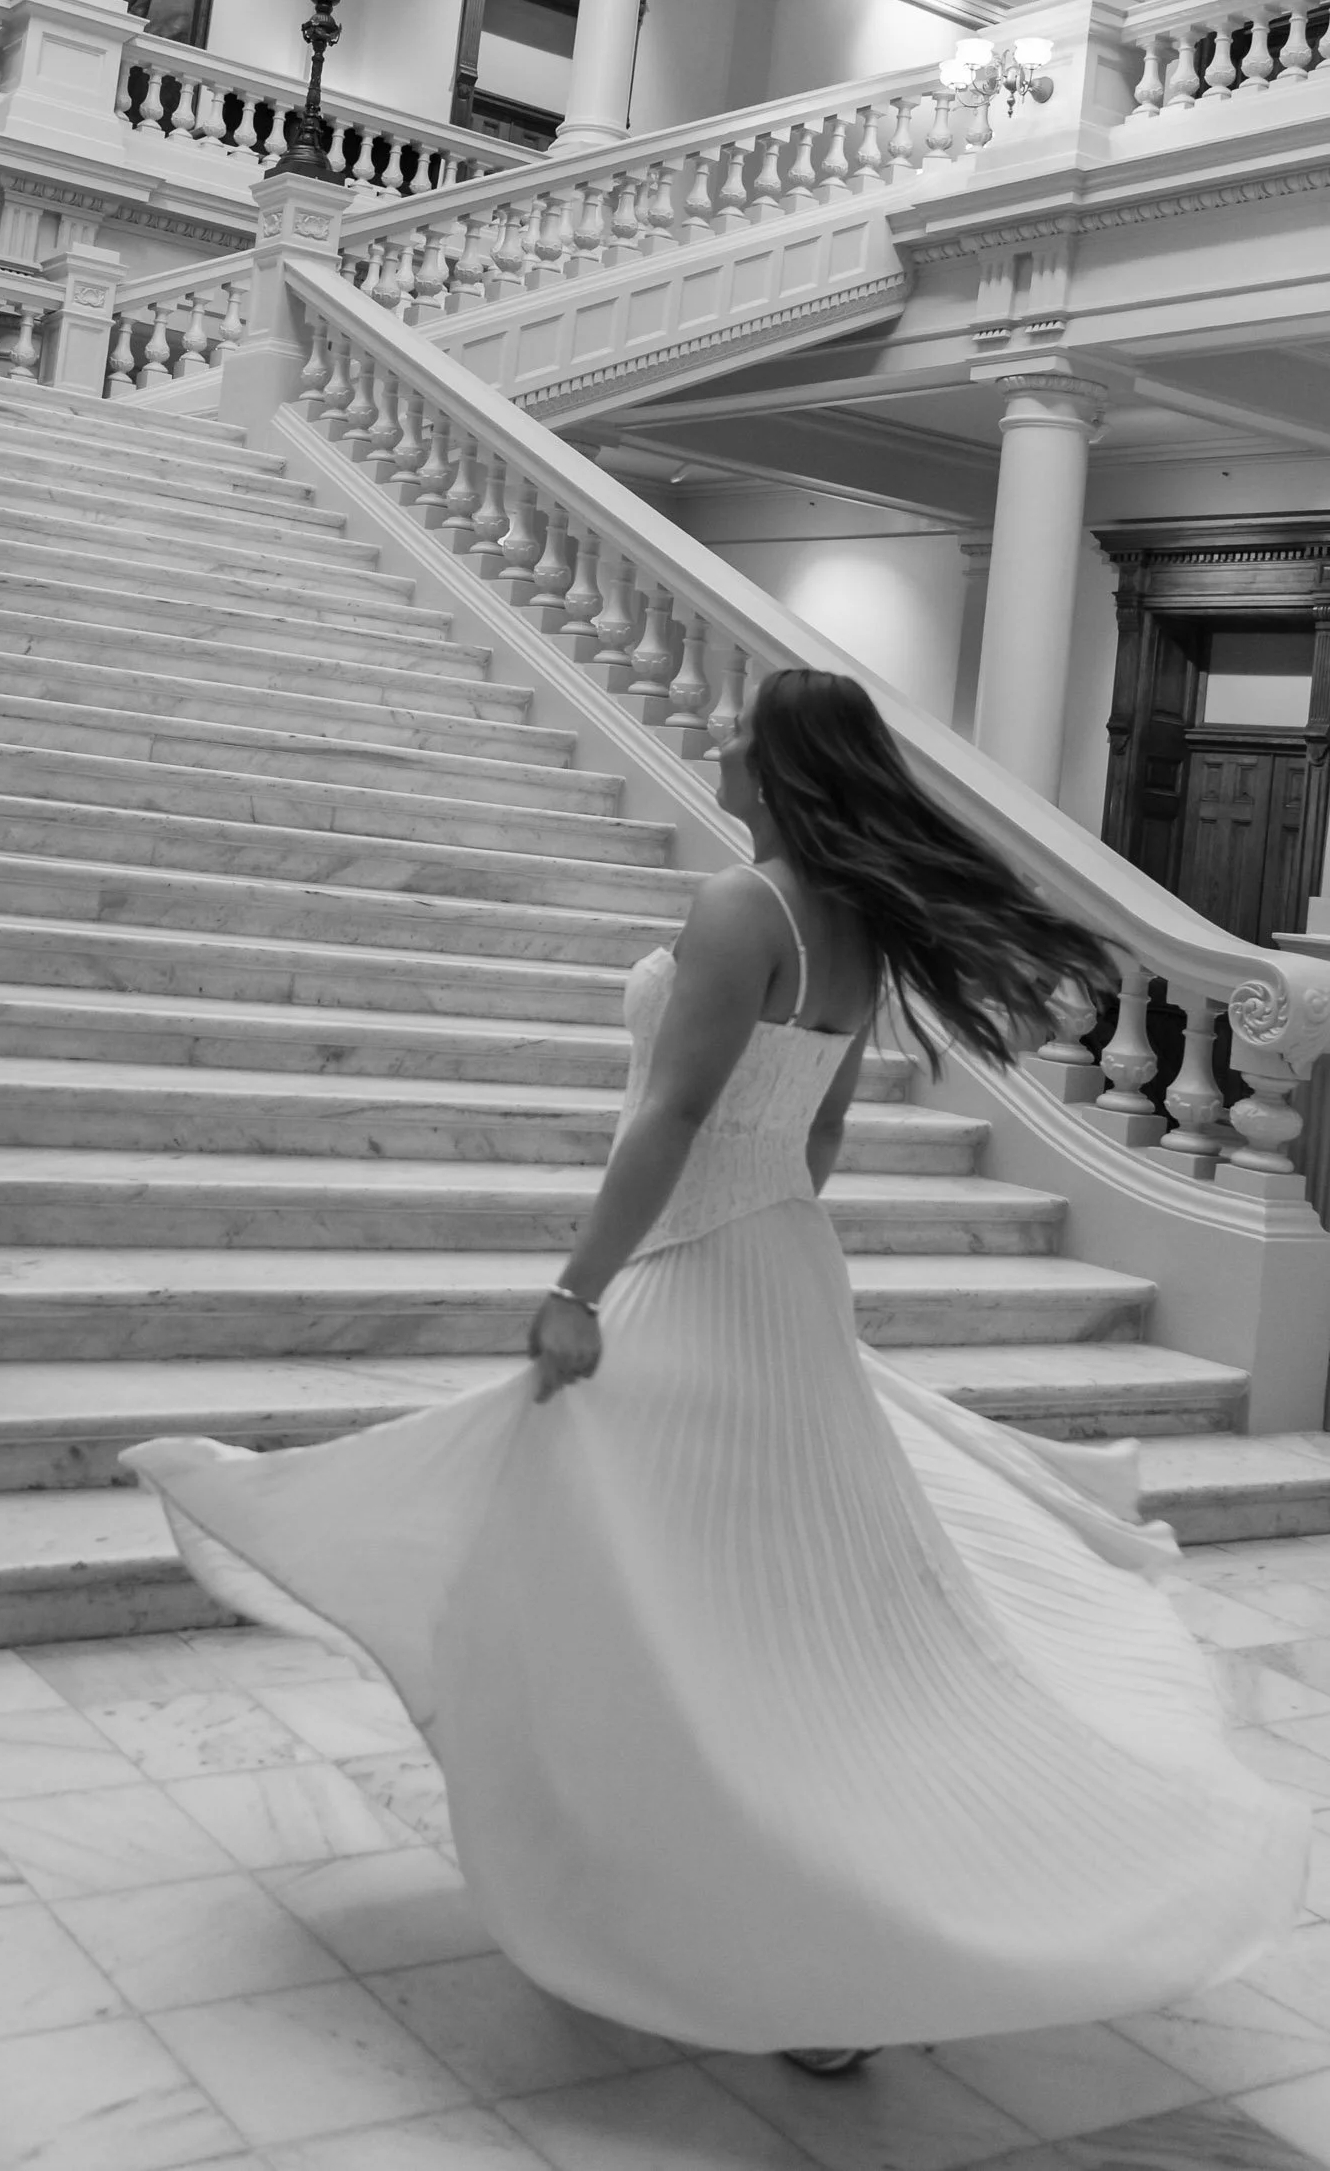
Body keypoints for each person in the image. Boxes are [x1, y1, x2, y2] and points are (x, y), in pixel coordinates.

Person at [127, 669, 1308, 2063]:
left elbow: (672, 1115)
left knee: (679, 1590)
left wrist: (581, 1286)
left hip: (696, 1270)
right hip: (781, 1265)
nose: (723, 741)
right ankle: (764, 1902)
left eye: (748, 732)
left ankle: (754, 1912)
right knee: (752, 1601)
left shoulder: (745, 909)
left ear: (787, 766)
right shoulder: (854, 926)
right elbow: (813, 1140)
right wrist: (764, 1244)